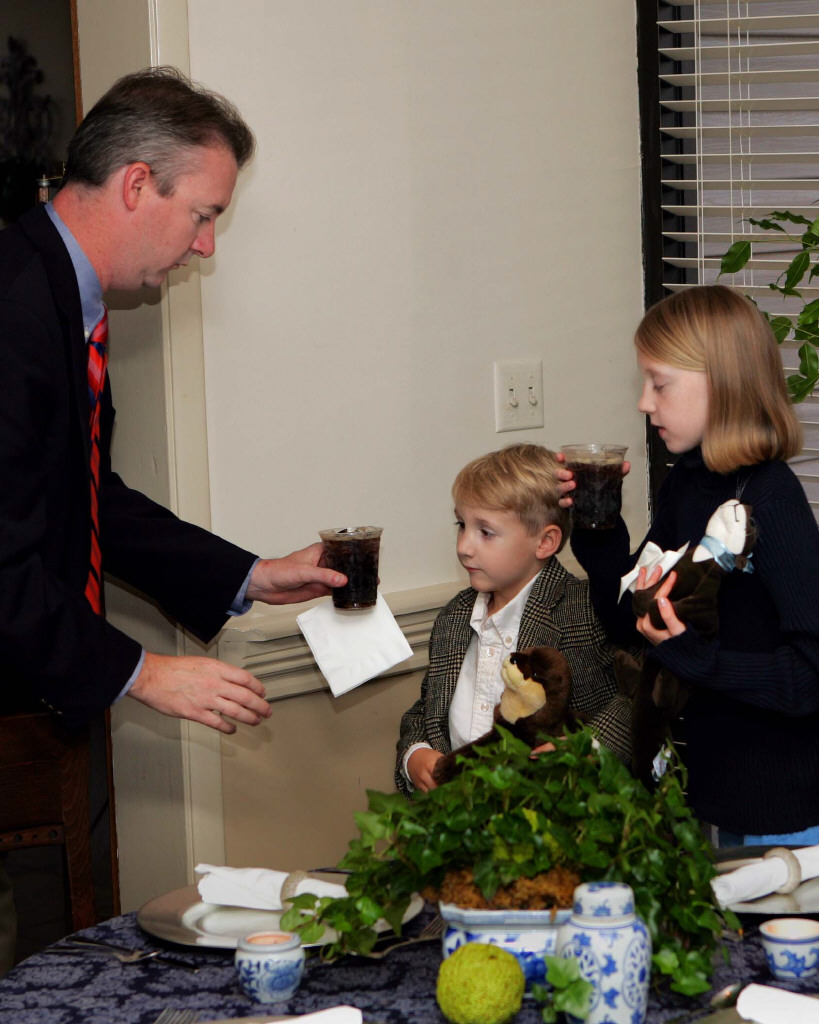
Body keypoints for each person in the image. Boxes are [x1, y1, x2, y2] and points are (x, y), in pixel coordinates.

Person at [0, 66, 347, 734]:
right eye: (203, 215)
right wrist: (142, 672)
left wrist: (252, 576)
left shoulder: (60, 295)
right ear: (136, 184)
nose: (205, 246)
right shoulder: (16, 307)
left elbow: (89, 498)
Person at [563, 284, 819, 846]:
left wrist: (699, 661)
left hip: (774, 816)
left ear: (723, 384)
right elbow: (631, 624)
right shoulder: (686, 482)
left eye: (660, 384)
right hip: (693, 797)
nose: (644, 402)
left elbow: (809, 677)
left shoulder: (772, 498)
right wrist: (597, 530)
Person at [395, 443, 632, 798]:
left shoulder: (584, 612)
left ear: (545, 542)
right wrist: (414, 755)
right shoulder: (454, 618)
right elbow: (428, 707)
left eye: (485, 532)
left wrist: (590, 748)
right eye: (462, 525)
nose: (463, 546)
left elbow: (637, 698)